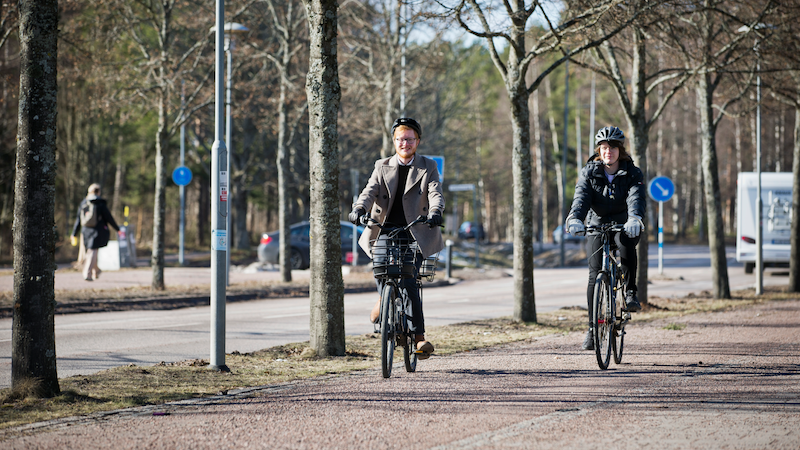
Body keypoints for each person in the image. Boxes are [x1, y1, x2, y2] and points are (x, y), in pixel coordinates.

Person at [348, 117, 444, 359]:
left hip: (416, 230)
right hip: (384, 228)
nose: (405, 143)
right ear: (394, 141)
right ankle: (384, 298)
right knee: (380, 268)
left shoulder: (428, 165)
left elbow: (435, 192)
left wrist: (435, 212)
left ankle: (420, 338)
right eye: (401, 139)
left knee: (409, 280)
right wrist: (359, 209)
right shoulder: (382, 165)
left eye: (410, 139)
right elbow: (369, 191)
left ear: (417, 142)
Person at [565, 126, 646, 351]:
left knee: (625, 244)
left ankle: (630, 292)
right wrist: (574, 218)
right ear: (599, 150)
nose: (607, 151)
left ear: (620, 150)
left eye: (612, 147)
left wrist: (635, 218)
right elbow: (581, 197)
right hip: (597, 224)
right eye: (603, 147)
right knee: (594, 274)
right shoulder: (589, 172)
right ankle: (592, 329)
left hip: (623, 223)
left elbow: (636, 198)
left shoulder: (632, 173)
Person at [71, 183, 120, 281]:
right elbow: (108, 217)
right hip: (97, 230)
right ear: (98, 192)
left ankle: (96, 271)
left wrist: (74, 233)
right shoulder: (100, 203)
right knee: (92, 251)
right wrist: (117, 229)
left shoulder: (83, 202)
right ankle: (87, 273)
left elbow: (78, 220)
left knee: (91, 251)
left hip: (85, 231)